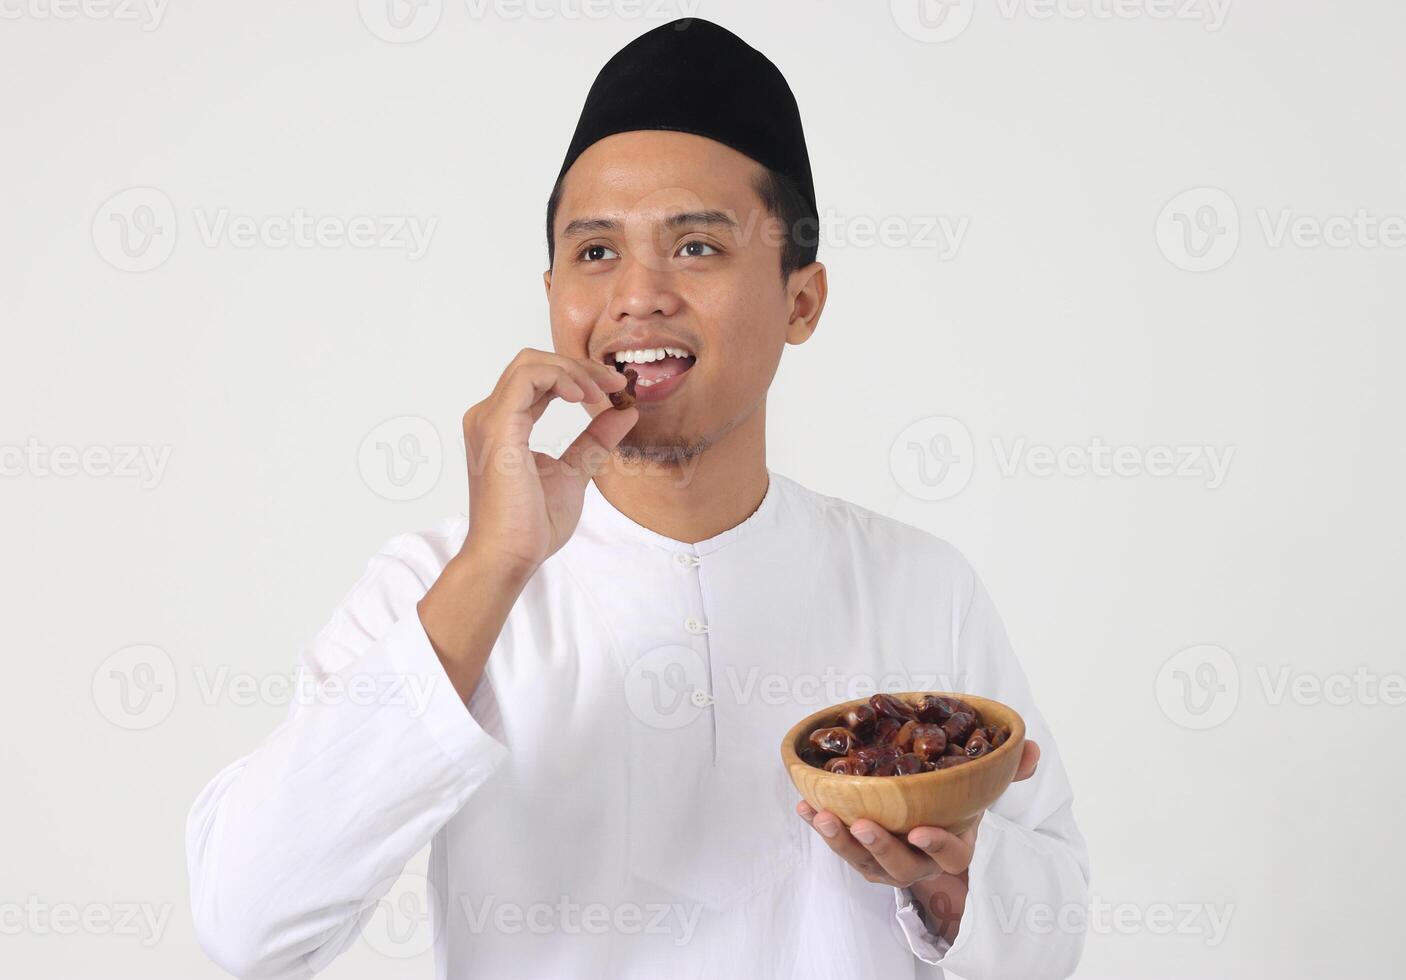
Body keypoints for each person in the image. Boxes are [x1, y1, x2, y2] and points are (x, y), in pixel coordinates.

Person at [184, 17, 1088, 979]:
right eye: (595, 254)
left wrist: (953, 889)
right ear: (552, 293)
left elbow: (1054, 936)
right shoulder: (437, 587)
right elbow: (247, 923)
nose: (637, 295)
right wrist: (495, 568)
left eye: (697, 247)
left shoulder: (916, 585)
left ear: (801, 302)